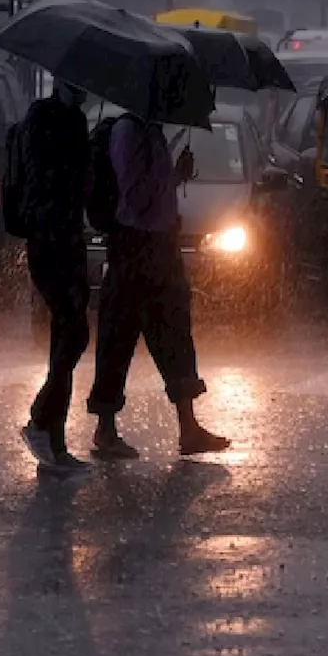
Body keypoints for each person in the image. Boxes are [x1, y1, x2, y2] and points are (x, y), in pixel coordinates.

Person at [86, 113, 230, 459]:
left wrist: (175, 175)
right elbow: (133, 195)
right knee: (118, 337)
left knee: (175, 334)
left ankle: (188, 427)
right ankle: (105, 429)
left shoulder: (152, 132)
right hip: (135, 245)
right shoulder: (127, 132)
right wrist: (164, 179)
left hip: (161, 245)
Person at [18, 81, 94, 476]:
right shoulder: (45, 119)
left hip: (67, 238)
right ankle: (39, 419)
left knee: (66, 335)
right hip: (50, 240)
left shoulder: (74, 121)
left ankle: (55, 439)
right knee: (73, 331)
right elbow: (51, 178)